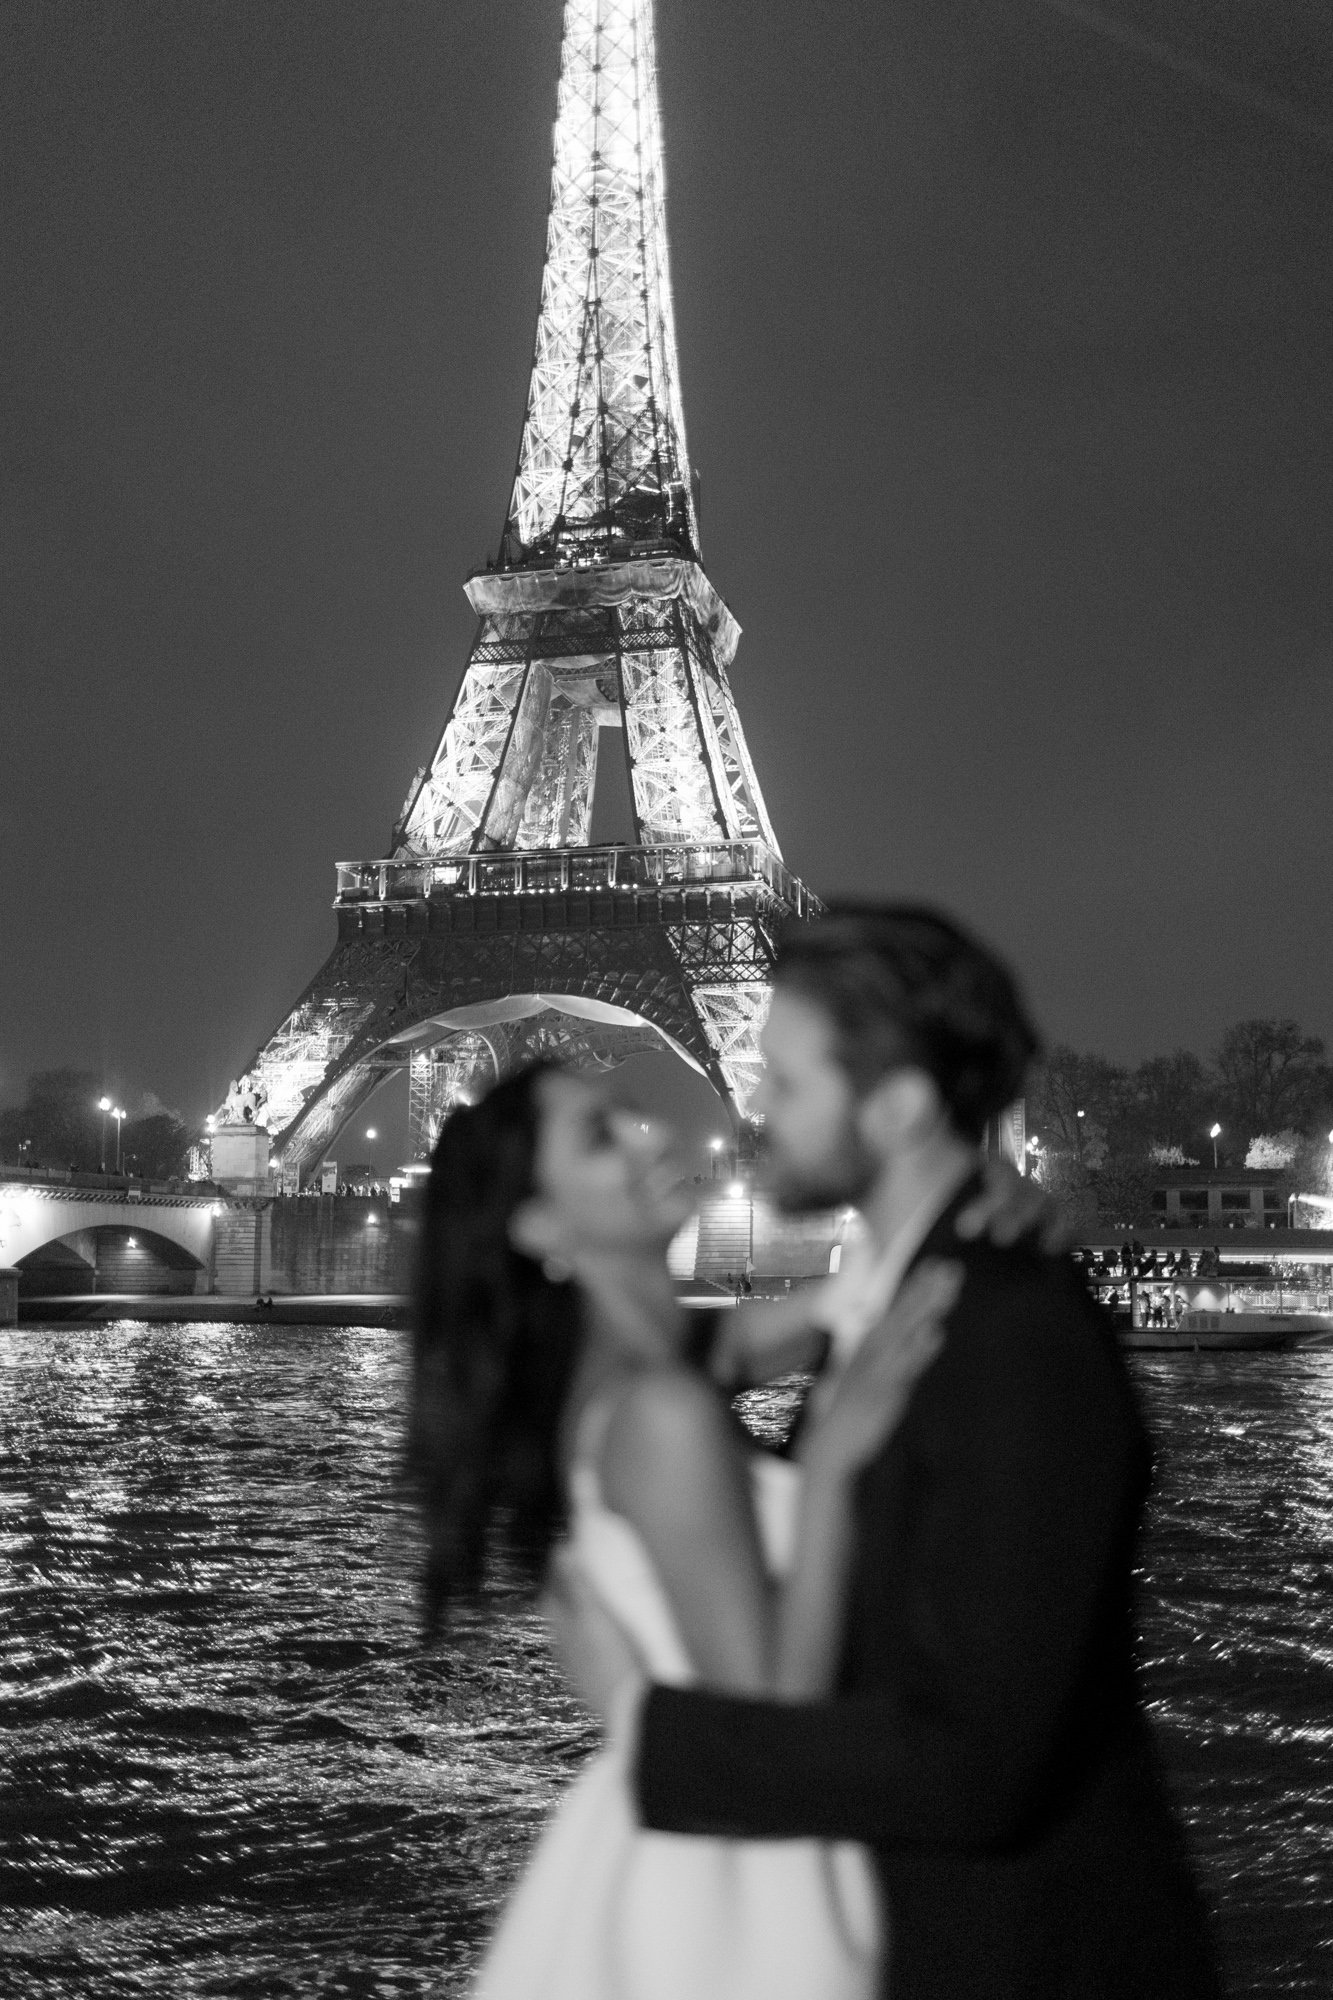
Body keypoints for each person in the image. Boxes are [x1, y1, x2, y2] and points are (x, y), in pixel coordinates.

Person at [563, 903, 1220, 2000]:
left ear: (902, 1104)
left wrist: (649, 1728)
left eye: (787, 1080)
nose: (755, 1106)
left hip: (1020, 1954)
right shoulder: (907, 1294)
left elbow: (977, 1761)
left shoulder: (1011, 1332)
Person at [405, 1060, 962, 2000]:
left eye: (627, 1114)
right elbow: (774, 1718)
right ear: (540, 1225)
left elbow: (808, 1313)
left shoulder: (618, 1379)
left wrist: (973, 1217)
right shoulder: (660, 1410)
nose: (651, 1135)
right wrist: (827, 1471)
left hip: (676, 1844)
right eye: (599, 1136)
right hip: (738, 1887)